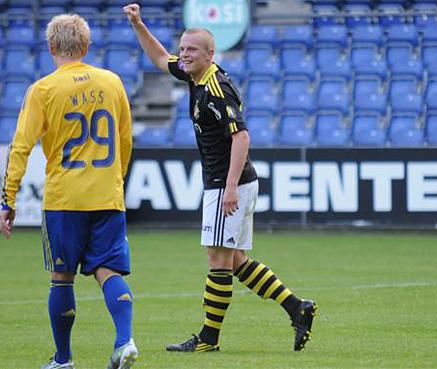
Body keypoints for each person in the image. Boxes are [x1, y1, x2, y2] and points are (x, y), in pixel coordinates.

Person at [124, 4, 318, 353]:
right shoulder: (193, 74)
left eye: (191, 50)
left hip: (226, 183)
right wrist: (139, 25)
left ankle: (208, 339)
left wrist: (228, 188)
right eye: (182, 48)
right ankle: (297, 307)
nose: (183, 55)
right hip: (234, 182)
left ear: (209, 53)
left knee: (218, 260)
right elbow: (159, 57)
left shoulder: (216, 87)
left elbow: (241, 137)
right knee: (236, 260)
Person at [0, 14, 137, 369]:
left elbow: (21, 147)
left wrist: (8, 198)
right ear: (86, 46)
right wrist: (115, 179)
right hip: (108, 195)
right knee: (108, 270)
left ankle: (63, 360)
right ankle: (124, 341)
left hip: (65, 199)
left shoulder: (44, 90)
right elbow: (124, 139)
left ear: (51, 47)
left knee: (62, 277)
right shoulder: (112, 82)